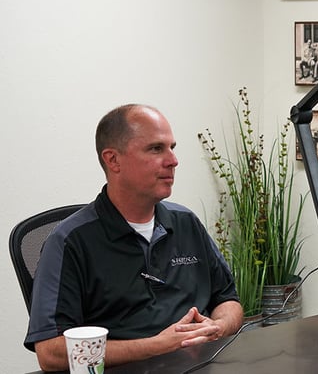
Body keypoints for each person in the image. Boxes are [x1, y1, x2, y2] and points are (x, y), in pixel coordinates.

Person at [24, 104, 243, 371]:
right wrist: (157, 345)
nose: (173, 160)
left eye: (172, 147)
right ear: (113, 160)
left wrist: (218, 326)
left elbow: (228, 300)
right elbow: (50, 353)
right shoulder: (70, 241)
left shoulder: (186, 223)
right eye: (155, 149)